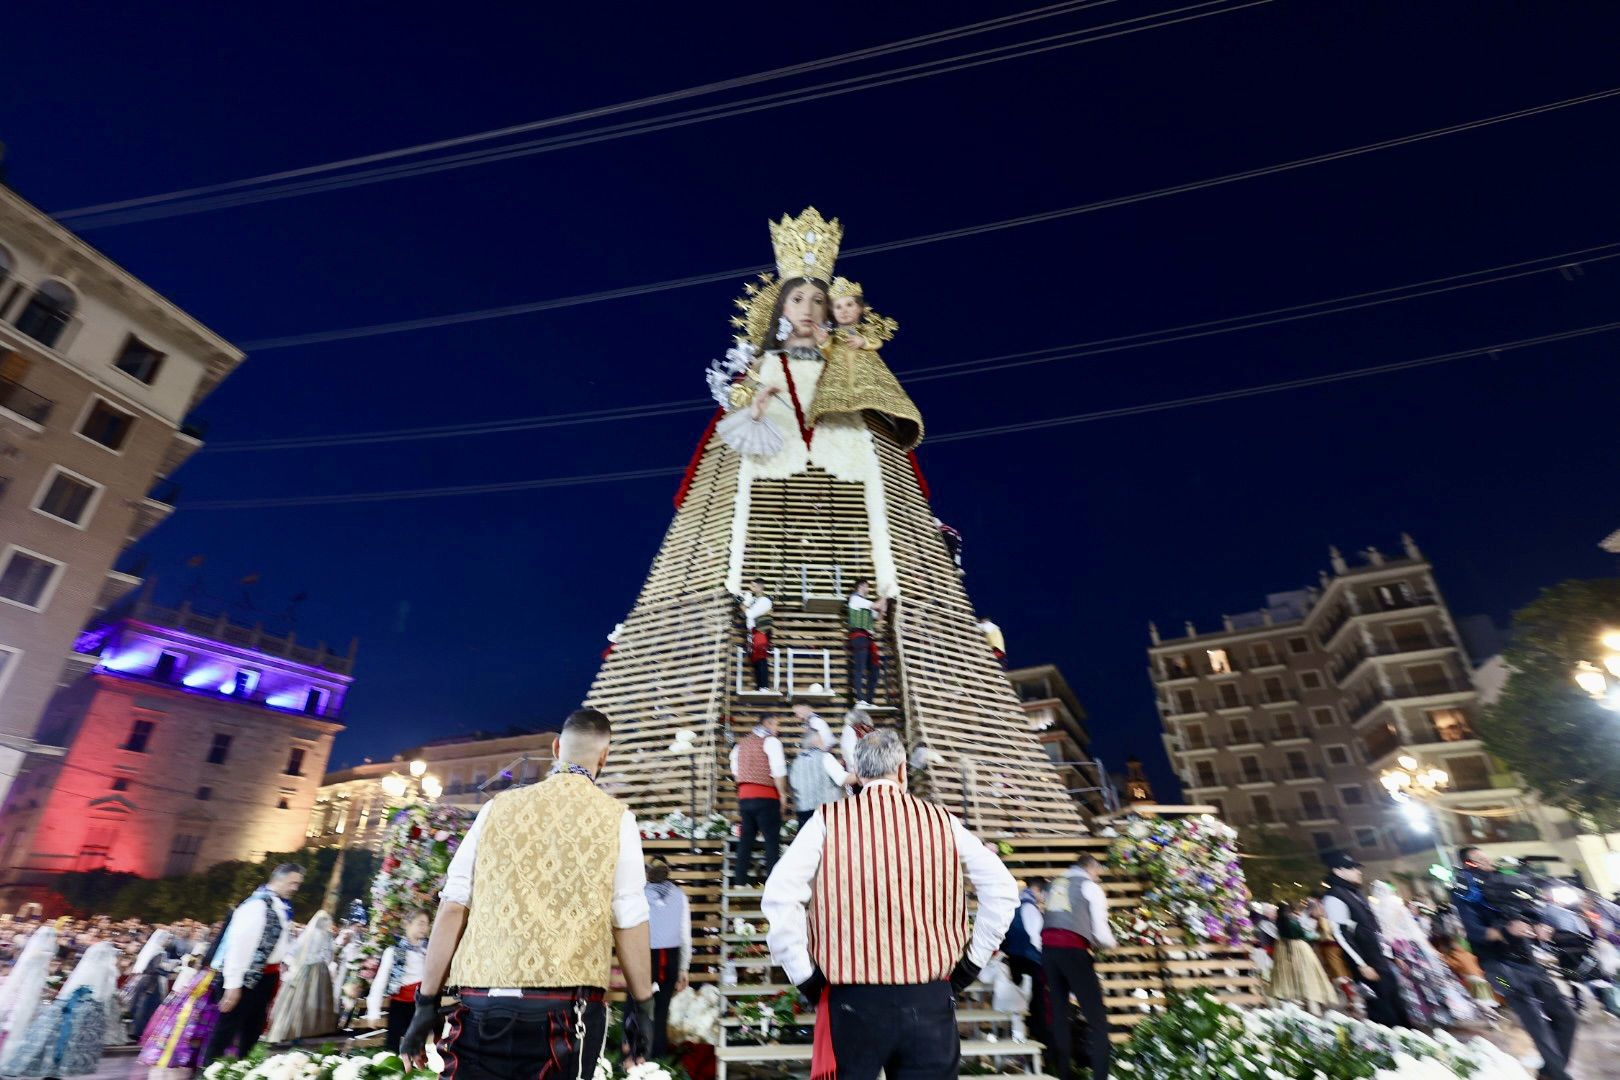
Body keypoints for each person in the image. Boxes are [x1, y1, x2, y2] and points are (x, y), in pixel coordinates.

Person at [398, 708, 656, 1080]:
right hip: (565, 1012)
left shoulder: (494, 809)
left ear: (556, 748)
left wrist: (425, 1004)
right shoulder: (617, 819)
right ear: (604, 756)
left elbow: (454, 906)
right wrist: (643, 1008)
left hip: (479, 1005)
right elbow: (629, 919)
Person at [762, 728, 1018, 1080]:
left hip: (853, 999)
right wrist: (972, 962)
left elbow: (779, 893)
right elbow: (1002, 889)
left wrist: (804, 974)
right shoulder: (942, 821)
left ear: (857, 772)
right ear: (901, 770)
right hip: (928, 997)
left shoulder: (827, 819)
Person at [1453, 847, 1576, 1078]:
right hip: (1498, 972)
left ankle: (1550, 1071)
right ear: (1468, 864)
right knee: (1535, 1022)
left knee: (1566, 1017)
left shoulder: (1506, 882)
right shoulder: (1464, 891)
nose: (1486, 860)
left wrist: (1539, 925)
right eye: (1478, 859)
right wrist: (1505, 930)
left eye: (1485, 856)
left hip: (1529, 964)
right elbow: (1475, 932)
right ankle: (1558, 1074)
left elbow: (1529, 912)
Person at [205, 862, 303, 1063]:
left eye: (298, 884)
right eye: (292, 883)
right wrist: (233, 985)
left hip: (266, 977)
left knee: (253, 1030)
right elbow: (238, 947)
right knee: (226, 1030)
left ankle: (242, 1069)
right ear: (278, 879)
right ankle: (209, 1071)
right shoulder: (256, 906)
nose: (295, 888)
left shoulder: (280, 906)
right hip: (247, 977)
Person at [1042, 854, 1118, 1080]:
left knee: (1060, 1015)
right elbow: (1100, 931)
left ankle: (1063, 1073)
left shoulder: (1055, 884)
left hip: (1048, 952)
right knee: (1097, 1019)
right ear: (1091, 868)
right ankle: (1100, 1076)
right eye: (1097, 872)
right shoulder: (1089, 887)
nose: (1097, 877)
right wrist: (1111, 944)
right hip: (1073, 951)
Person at [0, 941, 120, 1078]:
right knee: (72, 1043)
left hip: (68, 1007)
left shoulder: (85, 967)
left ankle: (50, 1068)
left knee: (55, 1039)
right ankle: (59, 1070)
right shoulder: (109, 970)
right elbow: (106, 994)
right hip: (88, 1010)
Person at [1319, 852, 1412, 1030]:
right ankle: (1389, 1043)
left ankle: (1406, 1039)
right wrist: (1362, 965)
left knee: (1396, 1002)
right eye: (1352, 868)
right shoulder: (1333, 896)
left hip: (1380, 958)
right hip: (1367, 962)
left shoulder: (1355, 892)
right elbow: (1341, 934)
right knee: (1382, 1010)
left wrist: (1392, 955)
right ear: (1338, 871)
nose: (1358, 871)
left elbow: (1373, 928)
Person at [1368, 881, 1474, 1026]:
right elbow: (1413, 931)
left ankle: (1430, 1014)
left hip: (1401, 948)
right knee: (1426, 980)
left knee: (1415, 983)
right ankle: (1443, 1012)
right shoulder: (1394, 907)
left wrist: (1395, 954)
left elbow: (1389, 934)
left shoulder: (1380, 909)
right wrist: (1429, 949)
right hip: (1410, 947)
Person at [729, 716, 790, 886]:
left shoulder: (741, 745)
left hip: (745, 797)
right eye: (777, 724)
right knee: (771, 841)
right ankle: (773, 884)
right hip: (766, 797)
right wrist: (783, 795)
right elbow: (778, 770)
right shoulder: (772, 742)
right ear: (767, 724)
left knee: (746, 840)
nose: (778, 729)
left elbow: (735, 772)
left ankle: (740, 882)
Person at [644, 859, 691, 1059]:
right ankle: (659, 1056)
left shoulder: (640, 894)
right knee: (662, 1009)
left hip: (646, 956)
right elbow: (685, 934)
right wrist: (683, 967)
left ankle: (640, 1055)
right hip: (670, 956)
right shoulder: (680, 895)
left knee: (641, 1007)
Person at [267, 910, 337, 1043]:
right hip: (318, 970)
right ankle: (309, 1030)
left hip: (302, 968)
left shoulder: (307, 933)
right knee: (314, 999)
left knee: (296, 999)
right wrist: (322, 963)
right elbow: (328, 955)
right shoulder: (326, 935)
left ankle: (290, 1029)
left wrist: (292, 964)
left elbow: (294, 950)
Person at [367, 909, 430, 1050]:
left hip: (420, 1005)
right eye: (420, 923)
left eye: (427, 924)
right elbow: (380, 982)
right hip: (399, 1005)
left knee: (416, 1049)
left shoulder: (429, 951)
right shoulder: (394, 951)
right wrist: (373, 1011)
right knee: (393, 1047)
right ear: (408, 924)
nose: (424, 928)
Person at [1266, 901, 1337, 1013]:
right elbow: (1302, 935)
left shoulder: (1278, 922)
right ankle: (1313, 1008)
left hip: (1284, 951)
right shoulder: (1292, 920)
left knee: (1290, 978)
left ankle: (1293, 1006)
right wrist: (1316, 935)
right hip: (1300, 949)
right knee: (1308, 976)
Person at [1000, 880, 1048, 1046]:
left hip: (1014, 957)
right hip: (1030, 959)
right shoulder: (1030, 907)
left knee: (1019, 1000)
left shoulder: (1015, 905)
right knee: (1036, 1002)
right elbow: (1036, 937)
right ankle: (1038, 1037)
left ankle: (1020, 1036)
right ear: (1038, 890)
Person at [0, 925, 57, 1048]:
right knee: (15, 1016)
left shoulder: (35, 954)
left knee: (17, 1017)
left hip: (29, 988)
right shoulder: (42, 955)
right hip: (26, 989)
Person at [123, 928, 174, 1042]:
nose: (169, 941)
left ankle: (134, 1030)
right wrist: (168, 972)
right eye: (168, 939)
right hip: (152, 983)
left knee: (140, 1005)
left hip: (144, 980)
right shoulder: (159, 952)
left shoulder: (153, 949)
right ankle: (139, 1031)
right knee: (146, 1007)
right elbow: (156, 968)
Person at [789, 730, 848, 826]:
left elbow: (792, 787)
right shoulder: (825, 757)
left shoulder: (797, 762)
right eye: (821, 739)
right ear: (815, 741)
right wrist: (860, 774)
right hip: (824, 813)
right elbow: (842, 779)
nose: (824, 742)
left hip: (803, 812)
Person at [846, 580, 886, 707]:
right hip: (859, 637)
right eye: (867, 587)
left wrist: (885, 602)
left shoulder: (865, 603)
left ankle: (869, 701)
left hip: (868, 639)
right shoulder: (855, 599)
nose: (868, 589)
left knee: (875, 670)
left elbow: (879, 617)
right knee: (860, 668)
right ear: (861, 586)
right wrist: (885, 594)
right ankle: (860, 699)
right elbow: (877, 606)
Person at [741, 580, 775, 692]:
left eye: (753, 586)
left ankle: (764, 686)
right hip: (753, 632)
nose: (751, 587)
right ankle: (760, 687)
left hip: (760, 632)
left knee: (761, 658)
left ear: (760, 587)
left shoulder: (765, 600)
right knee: (755, 659)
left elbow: (750, 614)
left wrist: (742, 606)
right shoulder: (754, 600)